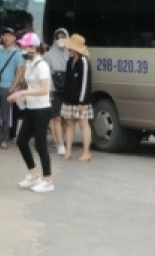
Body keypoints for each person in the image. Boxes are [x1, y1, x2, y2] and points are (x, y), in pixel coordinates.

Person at [10, 33, 54, 193]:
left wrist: (22, 94)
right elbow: (28, 85)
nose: (23, 49)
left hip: (42, 109)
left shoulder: (42, 65)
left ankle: (48, 179)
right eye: (22, 46)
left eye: (26, 46)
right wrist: (20, 93)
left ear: (34, 47)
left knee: (40, 144)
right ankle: (33, 173)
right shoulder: (29, 63)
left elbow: (44, 89)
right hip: (30, 108)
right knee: (21, 141)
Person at [60, 34, 93, 162]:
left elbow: (85, 82)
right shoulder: (70, 60)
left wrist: (82, 101)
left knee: (83, 124)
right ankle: (68, 151)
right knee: (69, 124)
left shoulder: (83, 61)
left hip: (80, 100)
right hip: (69, 99)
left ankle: (86, 152)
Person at [0, 28, 23, 149]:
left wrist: (13, 87)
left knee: (5, 115)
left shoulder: (17, 54)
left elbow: (19, 72)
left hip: (7, 88)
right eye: (5, 35)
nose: (7, 38)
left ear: (14, 38)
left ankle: (4, 139)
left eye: (10, 35)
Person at [44, 28, 71, 156]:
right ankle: (60, 143)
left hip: (67, 89)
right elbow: (46, 74)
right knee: (57, 118)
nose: (60, 40)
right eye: (58, 37)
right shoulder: (48, 55)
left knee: (66, 118)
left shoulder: (70, 54)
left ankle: (61, 139)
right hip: (54, 89)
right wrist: (48, 90)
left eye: (63, 37)